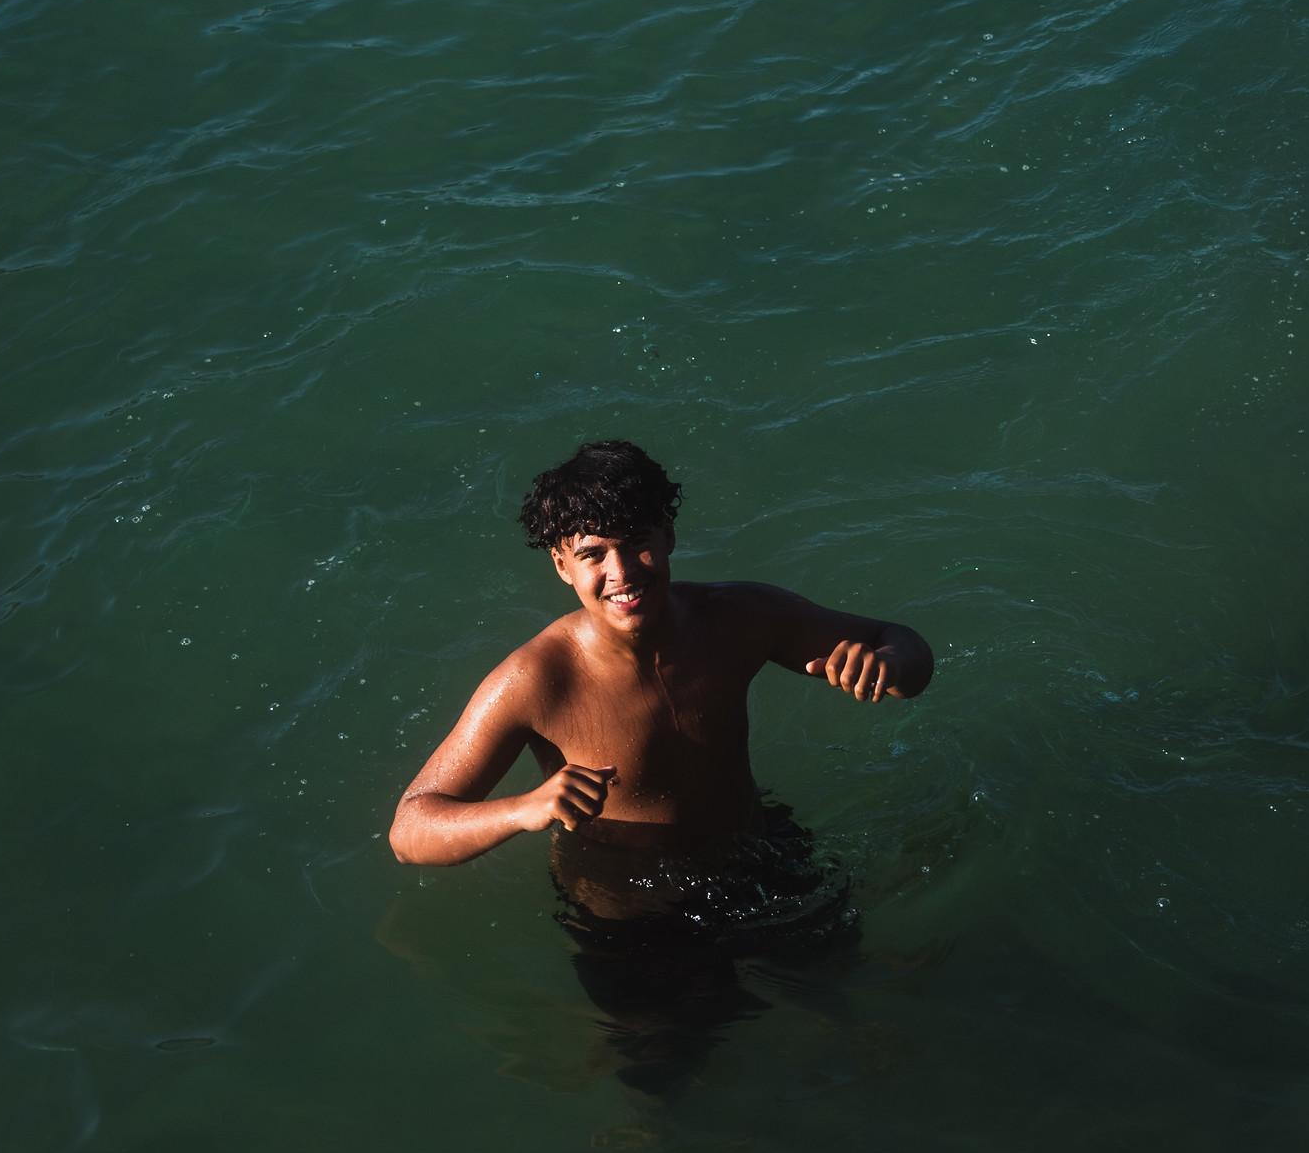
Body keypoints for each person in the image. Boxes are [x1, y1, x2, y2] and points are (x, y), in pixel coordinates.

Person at [388, 439, 934, 1091]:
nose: (621, 571)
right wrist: (523, 809)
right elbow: (411, 828)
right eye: (592, 554)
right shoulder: (535, 680)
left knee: (840, 983)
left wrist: (886, 668)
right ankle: (666, 1149)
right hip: (628, 914)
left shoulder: (738, 617)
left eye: (635, 541)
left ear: (668, 534)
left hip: (754, 855)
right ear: (562, 566)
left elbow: (898, 644)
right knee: (666, 1066)